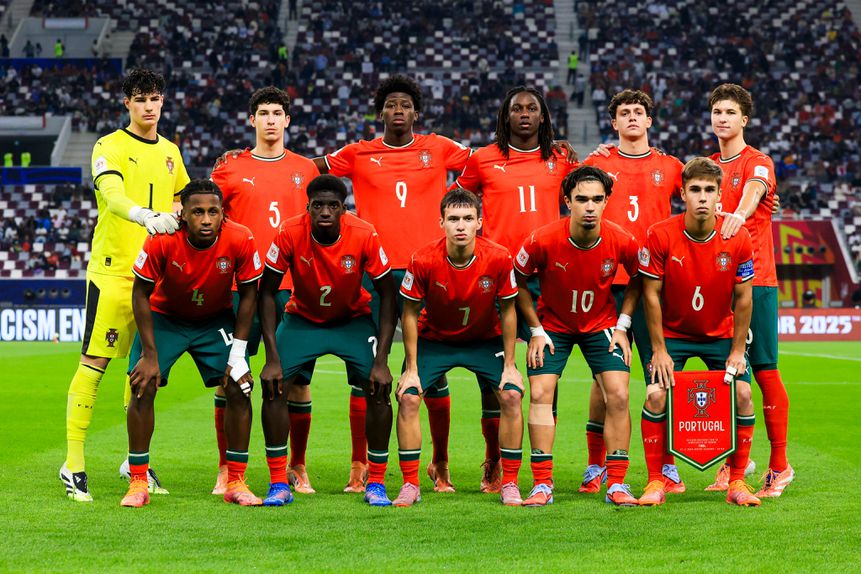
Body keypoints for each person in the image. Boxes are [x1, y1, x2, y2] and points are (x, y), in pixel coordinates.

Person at [315, 75, 472, 492]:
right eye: (390, 105)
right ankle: (359, 464)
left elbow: (489, 162)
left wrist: (554, 151)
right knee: (366, 373)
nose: (398, 110)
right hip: (375, 273)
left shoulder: (438, 147)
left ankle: (440, 463)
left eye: (405, 104)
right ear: (380, 112)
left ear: (416, 112)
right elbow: (304, 171)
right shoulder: (359, 153)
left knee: (432, 375)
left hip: (429, 270)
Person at [60, 68, 189, 502]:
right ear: (127, 104)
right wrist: (146, 215)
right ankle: (73, 464)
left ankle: (135, 462)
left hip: (155, 277)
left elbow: (182, 198)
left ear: (162, 102)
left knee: (142, 371)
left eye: (155, 98)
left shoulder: (171, 150)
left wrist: (174, 212)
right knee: (95, 363)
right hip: (114, 272)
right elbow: (111, 196)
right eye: (140, 99)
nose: (149, 106)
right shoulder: (108, 146)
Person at [455, 86, 578, 491]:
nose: (524, 114)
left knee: (546, 374)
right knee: (494, 376)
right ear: (505, 117)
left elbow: (591, 191)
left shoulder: (561, 158)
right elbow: (459, 202)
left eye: (532, 109)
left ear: (543, 117)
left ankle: (544, 464)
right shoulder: (483, 159)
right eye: (516, 109)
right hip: (495, 275)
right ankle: (493, 460)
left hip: (547, 276)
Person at [121, 180, 263, 508]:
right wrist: (151, 355)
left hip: (214, 320)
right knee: (142, 385)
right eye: (197, 212)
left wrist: (239, 354)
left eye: (213, 212)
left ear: (223, 214)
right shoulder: (162, 240)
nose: (206, 219)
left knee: (240, 386)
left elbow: (249, 295)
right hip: (165, 317)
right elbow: (140, 293)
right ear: (182, 215)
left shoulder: (241, 238)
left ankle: (236, 480)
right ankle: (138, 480)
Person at [258, 175, 398, 506]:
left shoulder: (364, 233)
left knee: (378, 387)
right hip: (302, 320)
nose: (324, 211)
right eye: (317, 205)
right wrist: (271, 358)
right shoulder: (289, 232)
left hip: (351, 321)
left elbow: (388, 295)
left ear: (343, 209)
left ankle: (375, 482)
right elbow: (266, 293)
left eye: (332, 206)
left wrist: (382, 361)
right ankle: (279, 480)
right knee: (274, 384)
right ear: (307, 208)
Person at [210, 86, 320, 497]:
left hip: (291, 288)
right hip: (239, 289)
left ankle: (298, 466)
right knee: (229, 378)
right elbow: (204, 213)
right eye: (263, 113)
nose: (271, 120)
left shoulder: (306, 169)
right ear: (251, 120)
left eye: (277, 113)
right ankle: (226, 467)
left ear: (288, 121)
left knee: (295, 382)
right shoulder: (230, 168)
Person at [514, 165, 640, 507]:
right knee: (540, 391)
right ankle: (542, 484)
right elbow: (517, 280)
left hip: (601, 324)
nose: (589, 206)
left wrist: (624, 325)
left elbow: (641, 278)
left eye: (597, 199)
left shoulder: (622, 239)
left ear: (606, 201)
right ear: (568, 201)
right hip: (553, 326)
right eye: (581, 199)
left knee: (618, 393)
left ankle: (616, 483)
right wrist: (535, 330)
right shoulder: (542, 239)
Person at [637, 157, 760, 507]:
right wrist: (658, 350)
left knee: (743, 395)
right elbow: (650, 294)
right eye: (695, 190)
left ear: (720, 195)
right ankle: (656, 481)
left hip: (720, 336)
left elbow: (744, 298)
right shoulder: (660, 234)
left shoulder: (738, 237)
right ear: (683, 194)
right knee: (655, 396)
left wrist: (737, 352)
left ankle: (736, 482)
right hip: (673, 336)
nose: (702, 197)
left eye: (709, 190)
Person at [580, 89, 685, 494]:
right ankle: (596, 466)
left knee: (662, 372)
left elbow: (703, 200)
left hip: (656, 283)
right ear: (614, 123)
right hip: (609, 281)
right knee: (604, 379)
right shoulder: (598, 163)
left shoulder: (669, 166)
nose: (632, 118)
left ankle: (668, 465)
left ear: (650, 121)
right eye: (624, 113)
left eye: (639, 112)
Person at [394, 189, 523, 507]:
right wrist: (410, 369)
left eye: (468, 219)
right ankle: (410, 484)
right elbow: (408, 312)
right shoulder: (423, 258)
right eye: (453, 219)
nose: (461, 226)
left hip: (484, 340)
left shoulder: (499, 256)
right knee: (408, 398)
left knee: (511, 394)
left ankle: (509, 482)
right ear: (441, 222)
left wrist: (510, 365)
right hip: (435, 340)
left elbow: (508, 310)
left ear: (480, 222)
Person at [707, 83, 793, 497]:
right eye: (717, 111)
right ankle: (734, 463)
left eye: (730, 112)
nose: (722, 118)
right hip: (713, 282)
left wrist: (741, 214)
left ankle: (780, 465)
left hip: (754, 280)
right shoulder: (705, 167)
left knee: (763, 369)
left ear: (744, 119)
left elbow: (755, 191)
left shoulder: (758, 161)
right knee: (723, 373)